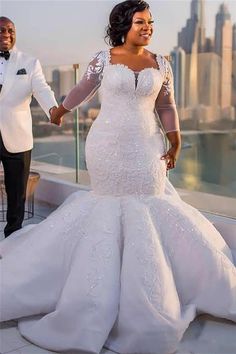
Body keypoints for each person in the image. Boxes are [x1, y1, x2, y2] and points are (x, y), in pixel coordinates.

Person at [0, 2, 236, 354]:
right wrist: (61, 110)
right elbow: (83, 89)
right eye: (141, 22)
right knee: (108, 207)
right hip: (107, 145)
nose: (148, 27)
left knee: (151, 205)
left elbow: (166, 106)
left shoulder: (162, 63)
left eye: (150, 22)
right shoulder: (104, 59)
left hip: (147, 148)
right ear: (124, 24)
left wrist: (176, 139)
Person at [0, 16, 57, 237]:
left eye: (10, 30)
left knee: (17, 194)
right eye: (2, 30)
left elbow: (42, 89)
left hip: (18, 136)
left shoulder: (30, 62)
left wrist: (53, 110)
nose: (6, 34)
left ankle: (13, 236)